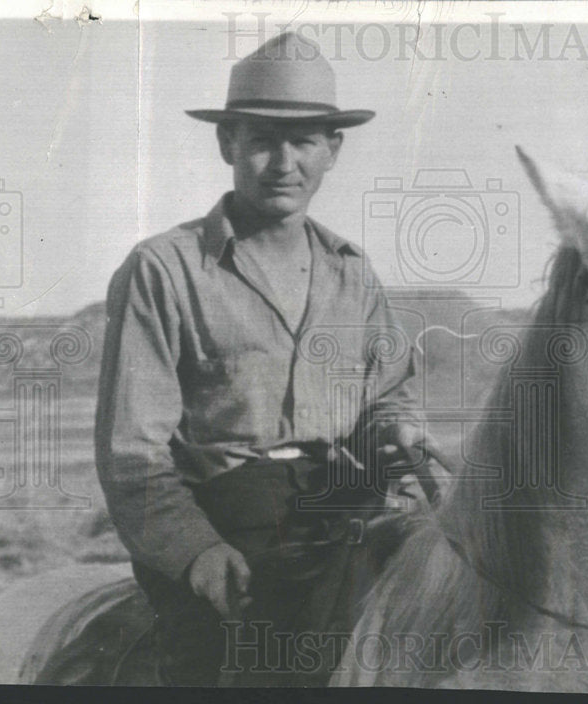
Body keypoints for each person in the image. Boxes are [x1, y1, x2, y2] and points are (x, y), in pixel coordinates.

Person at [95, 31, 443, 686]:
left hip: (341, 504)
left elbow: (386, 394)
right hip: (222, 515)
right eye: (262, 140)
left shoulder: (352, 272)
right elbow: (132, 453)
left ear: (332, 149)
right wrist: (198, 552)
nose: (284, 162)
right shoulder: (163, 269)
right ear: (227, 143)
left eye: (304, 141)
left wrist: (397, 429)